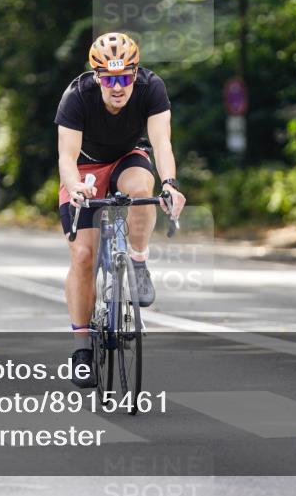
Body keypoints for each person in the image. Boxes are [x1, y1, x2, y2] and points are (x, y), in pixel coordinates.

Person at [54, 32, 186, 387]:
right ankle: (82, 347)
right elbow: (66, 158)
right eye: (109, 79)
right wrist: (76, 187)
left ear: (135, 74)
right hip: (84, 170)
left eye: (125, 77)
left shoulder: (151, 88)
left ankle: (138, 261)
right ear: (97, 77)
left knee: (144, 189)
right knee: (82, 255)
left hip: (127, 159)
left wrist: (170, 183)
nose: (117, 87)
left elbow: (161, 142)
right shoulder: (77, 96)